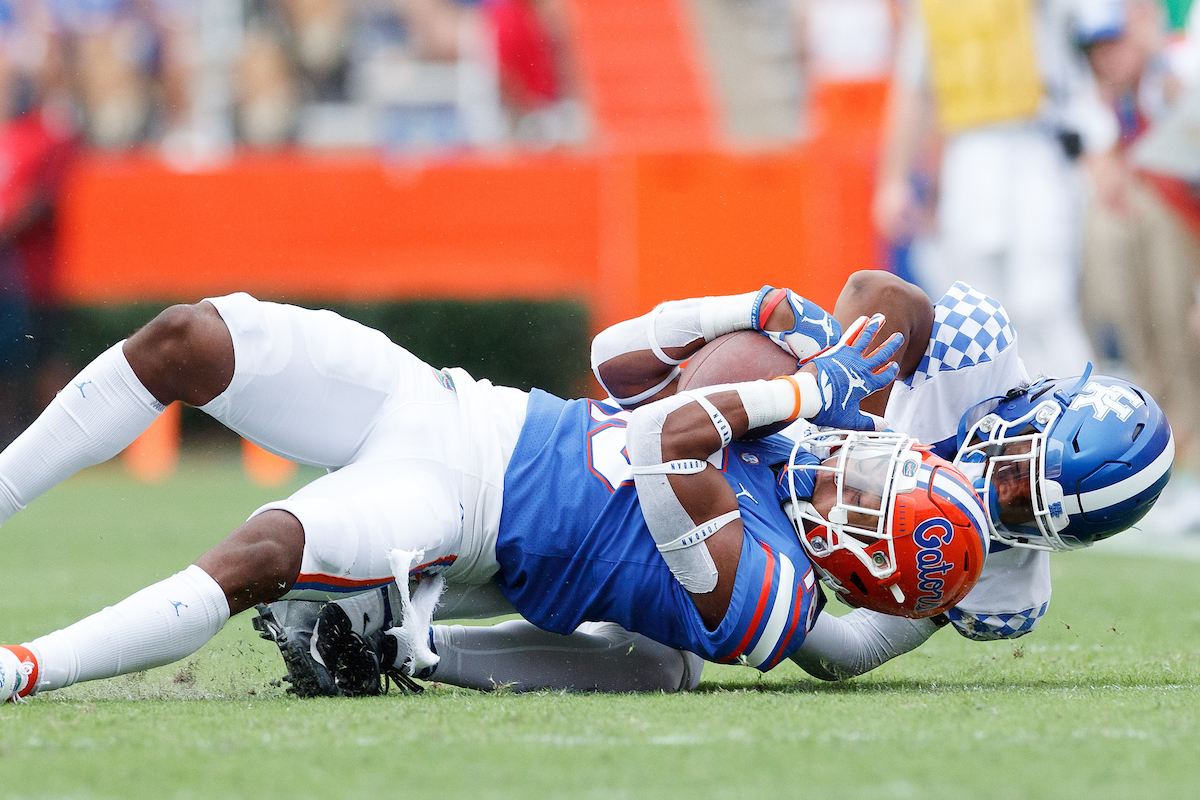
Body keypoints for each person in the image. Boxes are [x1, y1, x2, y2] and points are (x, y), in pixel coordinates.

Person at [0, 285, 990, 702]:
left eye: (871, 500)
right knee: (188, 336)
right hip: (444, 400)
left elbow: (663, 441)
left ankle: (24, 668)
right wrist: (755, 309)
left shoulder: (773, 591)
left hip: (457, 507)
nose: (857, 471)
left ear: (856, 562)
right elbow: (617, 359)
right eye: (883, 469)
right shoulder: (804, 444)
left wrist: (813, 386)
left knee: (259, 553)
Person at [287, 270, 1173, 695]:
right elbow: (873, 297)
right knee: (745, 361)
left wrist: (791, 620)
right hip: (759, 433)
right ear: (1031, 405)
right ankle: (388, 566)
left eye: (1027, 517)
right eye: (1016, 475)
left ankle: (409, 637)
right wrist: (837, 397)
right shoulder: (973, 350)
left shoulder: (1004, 590)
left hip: (768, 545)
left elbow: (860, 648)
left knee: (663, 659)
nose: (998, 496)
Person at [873, 0, 1116, 378]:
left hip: (1038, 145)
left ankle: (1077, 403)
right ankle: (998, 409)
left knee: (1043, 301)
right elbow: (914, 87)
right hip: (969, 156)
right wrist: (893, 180)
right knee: (977, 309)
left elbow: (1089, 57)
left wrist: (1099, 145)